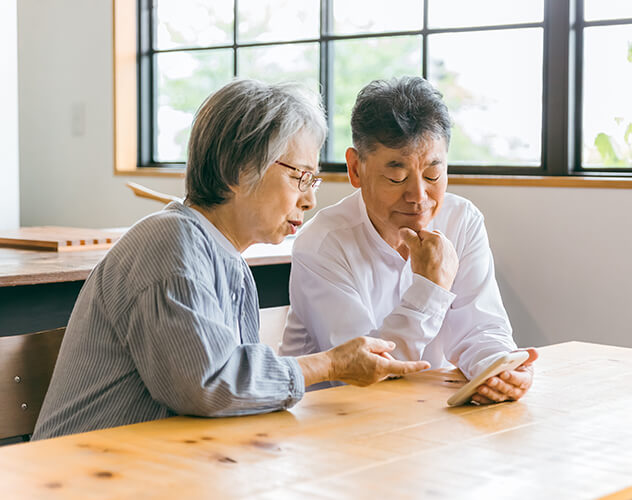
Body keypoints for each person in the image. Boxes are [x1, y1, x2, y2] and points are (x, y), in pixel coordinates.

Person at [33, 79, 430, 440]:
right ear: (238, 169)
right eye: (299, 177)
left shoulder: (230, 260)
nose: (310, 200)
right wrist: (330, 365)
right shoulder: (169, 243)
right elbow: (210, 385)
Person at [280, 76, 538, 404]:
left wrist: (500, 370)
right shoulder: (322, 242)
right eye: (396, 176)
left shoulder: (463, 220)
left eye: (433, 175)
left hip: (428, 416)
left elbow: (481, 329)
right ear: (355, 169)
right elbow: (366, 372)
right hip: (336, 423)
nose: (418, 196)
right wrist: (430, 287)